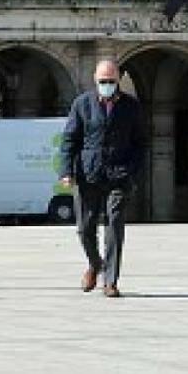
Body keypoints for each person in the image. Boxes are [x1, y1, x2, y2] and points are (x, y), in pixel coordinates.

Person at [58, 59, 145, 298]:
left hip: (119, 175)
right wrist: (66, 171)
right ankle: (95, 264)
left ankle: (110, 280)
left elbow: (140, 143)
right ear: (95, 80)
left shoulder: (131, 106)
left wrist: (132, 172)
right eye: (103, 81)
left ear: (119, 80)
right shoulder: (82, 104)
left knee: (114, 226)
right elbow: (69, 140)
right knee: (85, 228)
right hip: (89, 174)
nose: (107, 85)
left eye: (111, 81)